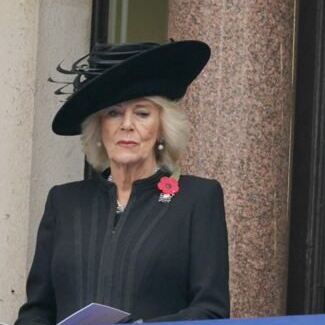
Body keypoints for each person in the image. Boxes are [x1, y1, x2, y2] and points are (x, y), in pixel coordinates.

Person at [15, 41, 230, 324]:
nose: (126, 124)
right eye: (113, 113)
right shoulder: (64, 202)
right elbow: (37, 312)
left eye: (142, 113)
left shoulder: (197, 198)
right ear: (99, 127)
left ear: (162, 128)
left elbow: (211, 311)